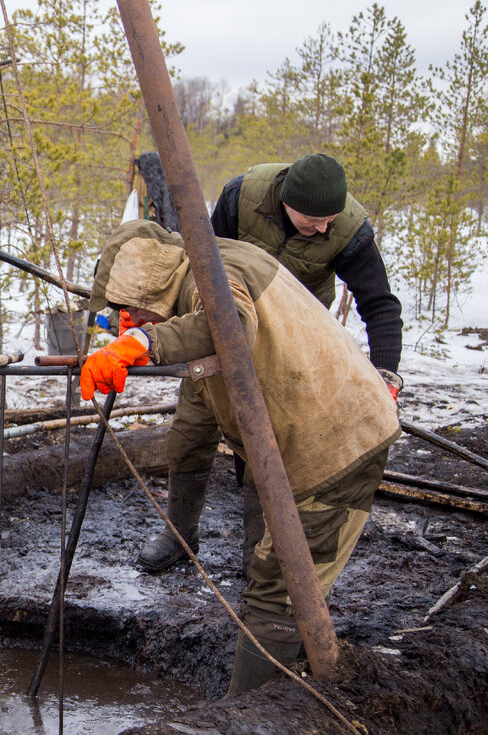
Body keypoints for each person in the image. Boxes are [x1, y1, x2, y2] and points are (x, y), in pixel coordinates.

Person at [80, 219, 400, 694]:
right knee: (281, 568)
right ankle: (279, 683)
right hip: (311, 430)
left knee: (280, 585)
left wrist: (145, 343)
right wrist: (140, 337)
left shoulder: (216, 273)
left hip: (338, 444)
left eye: (128, 312)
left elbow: (229, 324)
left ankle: (249, 716)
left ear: (145, 283)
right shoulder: (205, 263)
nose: (127, 322)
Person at [137, 153, 404, 573]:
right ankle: (180, 531)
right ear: (286, 200)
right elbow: (194, 260)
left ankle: (258, 553)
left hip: (288, 353)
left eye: (330, 219)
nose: (324, 228)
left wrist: (386, 377)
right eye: (313, 219)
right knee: (189, 434)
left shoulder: (349, 230)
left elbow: (381, 306)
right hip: (216, 336)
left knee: (266, 453)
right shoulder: (241, 197)